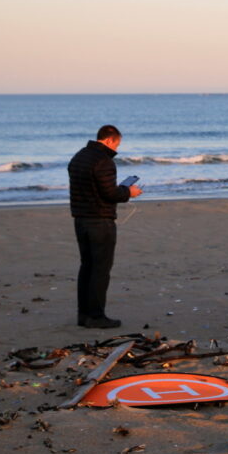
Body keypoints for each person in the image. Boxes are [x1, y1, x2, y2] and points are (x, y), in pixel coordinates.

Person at [68, 125, 142, 328]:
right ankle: (96, 316)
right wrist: (129, 192)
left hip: (81, 219)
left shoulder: (79, 156)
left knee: (87, 267)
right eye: (117, 144)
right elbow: (109, 193)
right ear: (110, 140)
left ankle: (84, 315)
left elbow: (94, 188)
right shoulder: (103, 161)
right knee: (100, 269)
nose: (117, 148)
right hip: (99, 220)